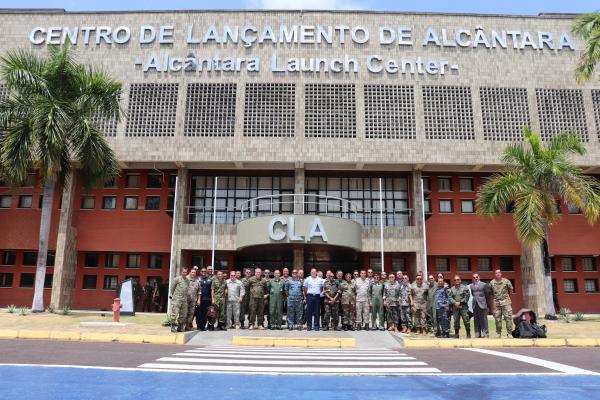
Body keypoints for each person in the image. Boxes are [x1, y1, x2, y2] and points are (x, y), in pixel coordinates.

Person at [490, 269, 514, 338]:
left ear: (501, 274)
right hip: (496, 303)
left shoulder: (506, 281)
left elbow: (511, 290)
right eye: (496, 273)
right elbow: (491, 292)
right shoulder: (492, 282)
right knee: (497, 318)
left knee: (508, 317)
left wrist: (505, 298)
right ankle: (498, 333)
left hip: (506, 302)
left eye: (499, 273)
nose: (497, 274)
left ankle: (509, 333)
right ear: (495, 274)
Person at [169, 267, 189, 333]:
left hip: (184, 300)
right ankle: (173, 327)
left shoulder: (187, 280)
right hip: (177, 299)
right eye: (183, 272)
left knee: (183, 314)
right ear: (181, 272)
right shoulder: (176, 279)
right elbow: (172, 289)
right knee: (175, 313)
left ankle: (180, 327)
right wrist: (174, 296)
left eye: (186, 272)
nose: (184, 273)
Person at [470, 273, 490, 338]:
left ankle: (485, 334)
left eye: (476, 277)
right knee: (476, 319)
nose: (475, 278)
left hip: (482, 304)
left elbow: (487, 294)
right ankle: (477, 333)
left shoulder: (484, 285)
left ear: (479, 277)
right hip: (475, 304)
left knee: (484, 319)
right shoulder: (471, 285)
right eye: (474, 277)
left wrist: (487, 305)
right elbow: (473, 294)